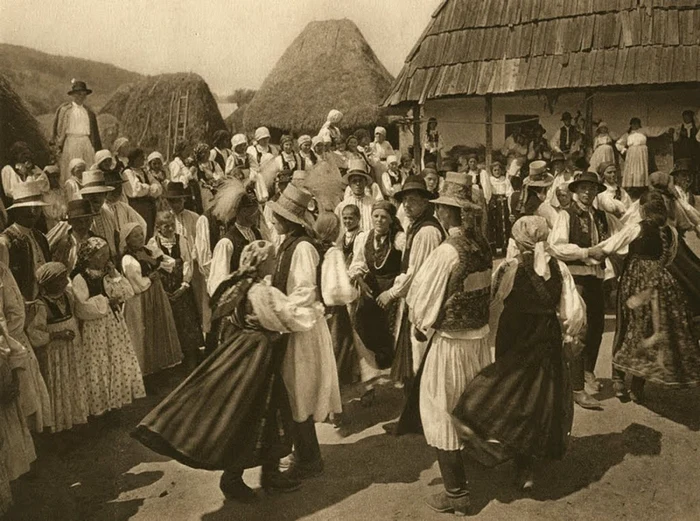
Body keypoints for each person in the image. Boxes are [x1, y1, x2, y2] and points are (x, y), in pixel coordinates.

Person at [132, 241, 324, 500]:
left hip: (247, 354)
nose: (273, 262)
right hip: (258, 356)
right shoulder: (261, 292)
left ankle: (260, 474)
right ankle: (248, 477)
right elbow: (285, 318)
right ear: (260, 262)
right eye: (270, 259)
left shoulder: (242, 285)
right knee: (258, 412)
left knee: (253, 413)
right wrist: (316, 311)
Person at [452, 216, 585, 494]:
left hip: (515, 337)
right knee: (537, 400)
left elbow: (492, 300)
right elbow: (572, 312)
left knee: (506, 391)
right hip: (545, 338)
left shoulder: (510, 268)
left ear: (517, 240)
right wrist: (569, 335)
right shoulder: (559, 268)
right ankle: (525, 465)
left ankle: (495, 444)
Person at [402, 173, 491, 516]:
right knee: (470, 403)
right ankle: (476, 460)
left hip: (451, 342)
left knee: (440, 409)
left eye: (441, 209)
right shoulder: (482, 247)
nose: (439, 214)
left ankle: (456, 493)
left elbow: (420, 298)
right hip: (479, 339)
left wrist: (420, 324)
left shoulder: (446, 252)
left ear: (448, 214)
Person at [590, 191, 700, 403]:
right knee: (649, 329)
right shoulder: (671, 232)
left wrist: (589, 253)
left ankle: (619, 378)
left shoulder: (636, 227)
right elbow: (669, 257)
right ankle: (638, 386)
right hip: (661, 285)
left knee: (627, 326)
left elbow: (609, 247)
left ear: (642, 209)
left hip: (635, 283)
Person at [266, 185, 341, 480]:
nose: (274, 219)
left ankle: (310, 458)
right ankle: (304, 450)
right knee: (293, 390)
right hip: (293, 325)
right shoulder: (287, 243)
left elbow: (305, 292)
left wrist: (277, 312)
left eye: (280, 216)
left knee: (301, 391)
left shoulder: (304, 248)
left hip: (303, 328)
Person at [548, 171, 620, 410]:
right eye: (583, 188)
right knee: (577, 330)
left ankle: (587, 372)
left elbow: (619, 236)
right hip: (575, 279)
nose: (587, 192)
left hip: (596, 278)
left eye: (592, 188)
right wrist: (586, 253)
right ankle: (576, 388)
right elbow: (556, 247)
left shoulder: (601, 216)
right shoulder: (566, 215)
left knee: (597, 327)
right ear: (575, 191)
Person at [381, 176, 444, 388]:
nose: (407, 205)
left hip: (424, 302)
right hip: (415, 300)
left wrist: (391, 293)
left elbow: (417, 273)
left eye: (413, 200)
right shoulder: (415, 226)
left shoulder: (427, 232)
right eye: (404, 200)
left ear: (426, 202)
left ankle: (418, 415)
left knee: (420, 360)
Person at [72, 237, 145, 414]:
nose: (106, 258)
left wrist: (114, 275)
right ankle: (100, 405)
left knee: (116, 359)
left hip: (113, 325)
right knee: (99, 362)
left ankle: (116, 399)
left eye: (106, 254)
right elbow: (81, 307)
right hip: (95, 328)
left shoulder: (108, 274)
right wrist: (106, 302)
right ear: (89, 257)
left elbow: (127, 293)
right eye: (101, 254)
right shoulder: (80, 278)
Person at [25, 262, 88, 432]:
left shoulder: (68, 296)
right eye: (61, 279)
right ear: (49, 283)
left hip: (71, 349)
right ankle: (59, 422)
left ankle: (75, 417)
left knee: (72, 379)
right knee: (58, 382)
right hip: (54, 353)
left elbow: (76, 315)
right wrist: (56, 335)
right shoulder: (40, 305)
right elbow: (33, 332)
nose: (66, 282)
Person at [349, 201, 406, 374]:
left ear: (390, 220)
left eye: (384, 217)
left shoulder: (398, 239)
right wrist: (360, 280)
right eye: (376, 216)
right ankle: (370, 361)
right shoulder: (363, 237)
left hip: (390, 285)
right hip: (370, 286)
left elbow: (408, 266)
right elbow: (357, 262)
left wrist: (393, 292)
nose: (379, 220)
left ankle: (387, 359)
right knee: (366, 322)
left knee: (388, 326)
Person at [121, 223, 183, 375]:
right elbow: (137, 285)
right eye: (135, 236)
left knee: (158, 328)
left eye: (141, 234)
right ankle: (145, 372)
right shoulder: (128, 259)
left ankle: (159, 368)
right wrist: (150, 277)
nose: (140, 238)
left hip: (156, 295)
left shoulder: (149, 251)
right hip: (141, 299)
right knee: (143, 332)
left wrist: (154, 263)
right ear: (127, 240)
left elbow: (169, 264)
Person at [148, 211, 203, 371]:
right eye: (166, 226)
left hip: (181, 289)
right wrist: (162, 291)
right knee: (167, 323)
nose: (170, 228)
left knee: (186, 322)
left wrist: (185, 284)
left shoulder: (181, 240)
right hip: (163, 289)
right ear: (158, 228)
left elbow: (187, 263)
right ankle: (171, 362)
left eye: (172, 225)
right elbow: (153, 266)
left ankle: (191, 359)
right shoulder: (153, 243)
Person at [207, 181, 262, 298]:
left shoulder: (256, 233)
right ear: (243, 212)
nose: (257, 214)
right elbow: (218, 282)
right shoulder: (227, 243)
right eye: (254, 210)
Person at [0, 182, 51, 301]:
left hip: (43, 305)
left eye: (36, 208)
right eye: (26, 208)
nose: (32, 213)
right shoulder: (6, 241)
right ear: (16, 211)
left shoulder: (40, 237)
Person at [51, 80, 100, 184]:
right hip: (71, 142)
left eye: (84, 94)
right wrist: (59, 144)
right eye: (78, 94)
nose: (81, 96)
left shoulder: (89, 112)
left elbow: (94, 133)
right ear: (73, 95)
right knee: (72, 169)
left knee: (88, 169)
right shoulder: (65, 110)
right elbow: (58, 128)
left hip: (86, 142)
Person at [616, 117, 674, 196]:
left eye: (636, 123)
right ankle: (632, 187)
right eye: (633, 124)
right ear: (631, 125)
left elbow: (654, 131)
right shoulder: (628, 134)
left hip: (641, 153)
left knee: (641, 169)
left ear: (639, 124)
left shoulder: (643, 131)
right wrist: (624, 150)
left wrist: (666, 129)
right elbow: (618, 143)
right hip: (632, 153)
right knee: (632, 170)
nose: (634, 125)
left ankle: (640, 186)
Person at [335, 159, 382, 235]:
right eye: (354, 181)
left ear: (365, 182)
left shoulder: (374, 204)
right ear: (349, 184)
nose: (358, 184)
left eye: (360, 181)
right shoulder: (342, 206)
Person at [123, 148, 162, 238]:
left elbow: (158, 187)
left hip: (149, 207)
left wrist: (147, 188)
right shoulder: (128, 172)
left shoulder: (144, 171)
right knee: (140, 230)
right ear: (134, 159)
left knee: (150, 231)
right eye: (141, 158)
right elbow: (136, 190)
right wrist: (150, 188)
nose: (143, 160)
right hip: (137, 207)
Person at [50, 199, 97, 274]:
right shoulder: (63, 245)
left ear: (92, 220)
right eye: (78, 221)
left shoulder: (98, 242)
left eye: (87, 220)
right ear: (70, 222)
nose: (83, 225)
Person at [80, 170, 119, 257]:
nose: (95, 198)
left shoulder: (108, 214)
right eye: (91, 194)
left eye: (99, 194)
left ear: (105, 195)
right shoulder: (79, 218)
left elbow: (114, 239)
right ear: (84, 196)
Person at [488, 161, 513, 255]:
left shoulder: (505, 180)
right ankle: (494, 248)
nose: (497, 172)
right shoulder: (490, 180)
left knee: (504, 224)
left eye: (498, 170)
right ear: (492, 171)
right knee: (494, 224)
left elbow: (510, 192)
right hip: (494, 203)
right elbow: (488, 191)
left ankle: (504, 247)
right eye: (495, 170)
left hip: (503, 204)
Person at [673, 110, 700, 194]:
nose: (686, 119)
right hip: (683, 153)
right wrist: (680, 135)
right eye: (684, 117)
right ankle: (682, 189)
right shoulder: (679, 127)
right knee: (683, 171)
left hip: (694, 153)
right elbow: (675, 140)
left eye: (687, 117)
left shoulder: (697, 127)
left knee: (694, 171)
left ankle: (695, 189)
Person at [168, 140, 199, 213]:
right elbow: (178, 183)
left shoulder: (185, 163)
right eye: (186, 150)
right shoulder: (175, 164)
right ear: (181, 151)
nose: (188, 152)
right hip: (182, 196)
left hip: (190, 194)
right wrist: (190, 172)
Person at [41, 165, 68, 231]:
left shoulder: (61, 191)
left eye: (57, 177)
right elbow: (48, 212)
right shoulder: (45, 193)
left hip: (65, 222)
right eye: (53, 177)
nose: (56, 179)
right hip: (51, 224)